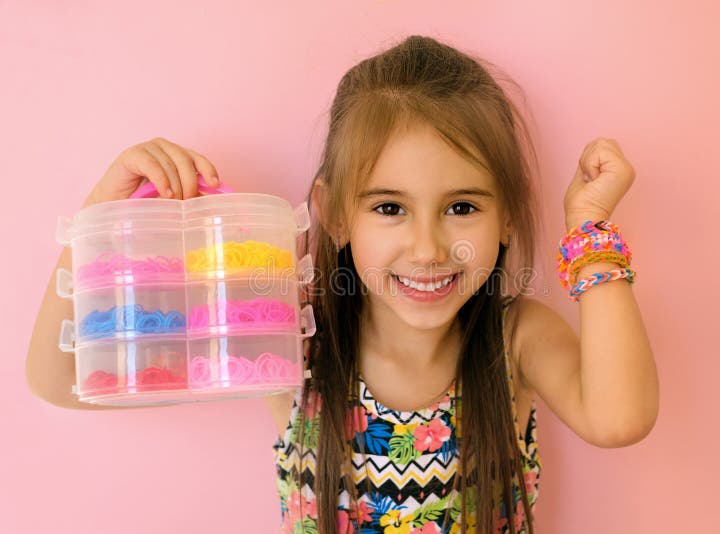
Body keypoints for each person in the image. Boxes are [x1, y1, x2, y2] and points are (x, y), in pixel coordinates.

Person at [26, 34, 658, 534]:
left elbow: (619, 417)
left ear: (507, 216)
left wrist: (590, 227)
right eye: (389, 208)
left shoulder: (515, 336)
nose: (429, 248)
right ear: (333, 213)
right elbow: (60, 382)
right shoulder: (292, 337)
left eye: (462, 206)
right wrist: (99, 220)